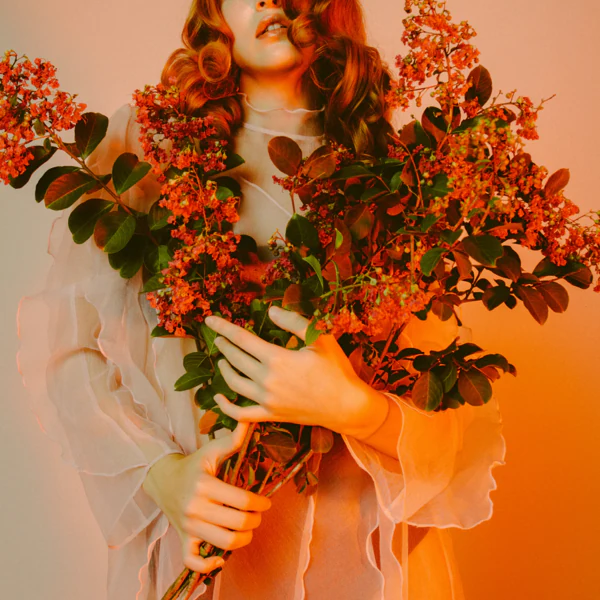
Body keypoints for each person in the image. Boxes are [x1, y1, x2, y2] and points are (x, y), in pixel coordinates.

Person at [16, 0, 507, 598]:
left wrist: (354, 409)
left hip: (357, 554)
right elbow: (71, 351)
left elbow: (449, 422)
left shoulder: (396, 169)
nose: (273, 1)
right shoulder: (148, 145)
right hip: (212, 544)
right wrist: (160, 471)